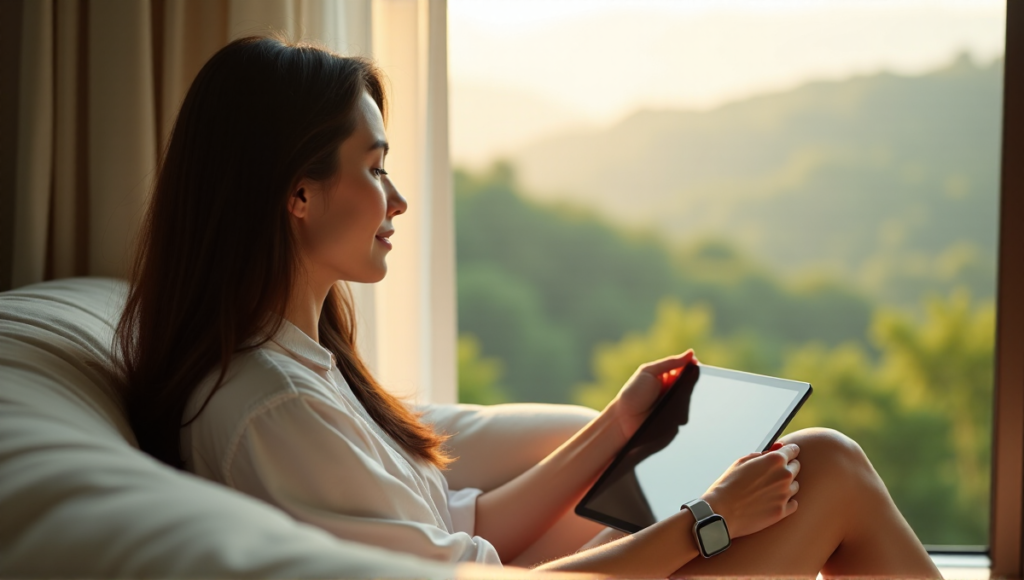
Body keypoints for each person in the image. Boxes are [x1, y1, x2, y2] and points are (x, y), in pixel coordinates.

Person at [115, 35, 943, 578]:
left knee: (798, 469)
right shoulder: (274, 408)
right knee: (825, 467)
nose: (396, 200)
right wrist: (708, 522)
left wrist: (619, 422)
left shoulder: (297, 368)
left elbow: (461, 536)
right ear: (297, 193)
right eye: (373, 170)